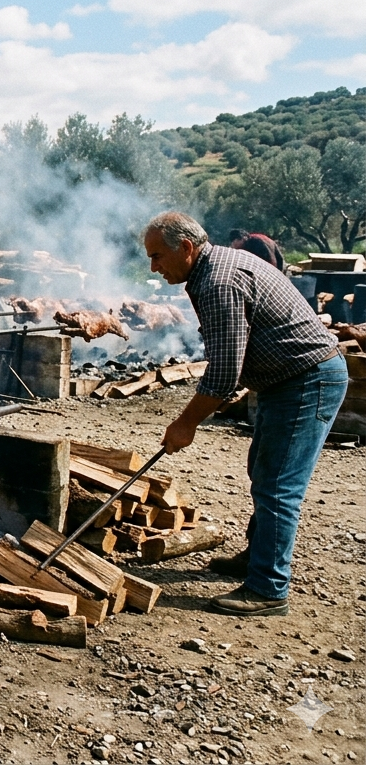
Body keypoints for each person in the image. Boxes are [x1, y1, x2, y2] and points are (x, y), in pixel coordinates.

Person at [144, 211, 345, 617]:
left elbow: (224, 372)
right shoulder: (212, 269)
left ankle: (268, 588)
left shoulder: (218, 281)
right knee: (264, 470)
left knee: (278, 485)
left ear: (186, 247)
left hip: (306, 380)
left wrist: (186, 424)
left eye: (157, 256)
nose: (153, 267)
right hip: (284, 381)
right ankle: (259, 557)